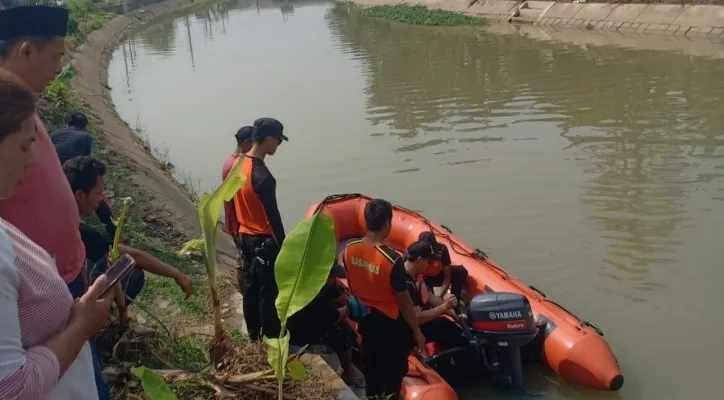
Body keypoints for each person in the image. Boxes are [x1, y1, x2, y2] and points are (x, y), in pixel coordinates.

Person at [0, 5, 111, 399]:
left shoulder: (21, 106)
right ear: (26, 51)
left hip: (61, 283)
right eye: (57, 57)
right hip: (34, 304)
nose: (59, 68)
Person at [63, 156, 194, 315]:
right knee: (133, 273)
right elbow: (131, 256)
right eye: (98, 193)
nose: (101, 199)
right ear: (79, 195)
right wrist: (176, 273)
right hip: (63, 297)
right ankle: (99, 317)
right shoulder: (77, 230)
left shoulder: (59, 214)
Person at [342, 198, 425, 400]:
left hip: (366, 322)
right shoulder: (391, 259)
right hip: (391, 327)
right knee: (392, 379)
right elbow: (405, 303)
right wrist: (417, 332)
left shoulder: (349, 249)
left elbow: (352, 284)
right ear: (387, 223)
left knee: (372, 371)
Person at [234, 117, 288, 341]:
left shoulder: (239, 165)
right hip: (263, 241)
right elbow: (273, 217)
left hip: (244, 236)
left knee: (250, 290)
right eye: (279, 141)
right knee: (268, 294)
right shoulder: (263, 177)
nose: (278, 146)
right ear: (269, 140)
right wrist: (284, 246)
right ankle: (271, 340)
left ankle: (253, 336)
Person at [288, 262, 360, 385]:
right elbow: (335, 316)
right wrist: (346, 309)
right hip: (304, 334)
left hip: (305, 324)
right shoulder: (318, 300)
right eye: (332, 277)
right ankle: (347, 372)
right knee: (344, 333)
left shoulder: (315, 283)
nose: (334, 280)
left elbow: (337, 293)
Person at [51, 111, 117, 237]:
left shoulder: (56, 133)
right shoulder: (86, 138)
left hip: (55, 169)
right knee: (96, 195)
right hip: (72, 169)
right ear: (84, 126)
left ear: (68, 123)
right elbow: (86, 163)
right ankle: (113, 231)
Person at [402, 241, 468, 349]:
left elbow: (430, 297)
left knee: (449, 325)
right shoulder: (405, 283)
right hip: (406, 329)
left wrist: (457, 315)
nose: (429, 265)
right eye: (428, 262)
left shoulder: (413, 275)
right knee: (449, 330)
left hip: (413, 322)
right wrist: (444, 307)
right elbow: (417, 318)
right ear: (419, 260)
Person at [221, 126, 253, 295]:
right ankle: (245, 294)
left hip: (235, 221)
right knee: (242, 261)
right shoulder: (236, 166)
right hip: (238, 223)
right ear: (247, 143)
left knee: (243, 259)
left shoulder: (231, 162)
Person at [418, 231, 469, 299]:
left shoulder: (441, 249)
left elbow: (447, 276)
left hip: (437, 275)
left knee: (460, 271)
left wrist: (440, 296)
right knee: (428, 298)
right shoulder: (415, 251)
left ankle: (454, 299)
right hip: (421, 279)